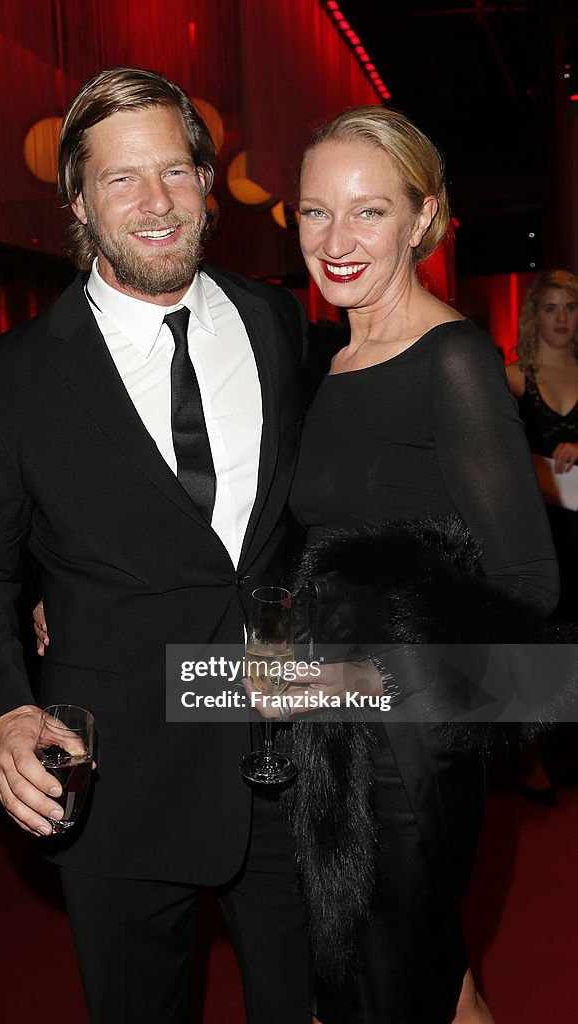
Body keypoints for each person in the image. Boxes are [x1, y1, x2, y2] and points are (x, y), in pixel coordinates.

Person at [0, 67, 311, 1024]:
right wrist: (6, 712)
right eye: (120, 179)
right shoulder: (6, 384)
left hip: (295, 754)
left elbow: (297, 522)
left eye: (175, 172)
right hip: (123, 781)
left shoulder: (276, 322)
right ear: (78, 202)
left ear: (206, 183)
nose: (154, 203)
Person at [279, 107, 558, 1023]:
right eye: (315, 212)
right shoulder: (333, 355)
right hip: (325, 723)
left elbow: (528, 586)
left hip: (407, 749)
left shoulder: (454, 358)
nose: (337, 238)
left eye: (368, 212)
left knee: (393, 986)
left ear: (421, 218)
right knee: (410, 983)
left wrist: (386, 697)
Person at [506, 269, 578, 802]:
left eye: (570, 307)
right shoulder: (512, 377)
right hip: (540, 532)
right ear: (536, 315)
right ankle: (535, 759)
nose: (561, 318)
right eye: (551, 307)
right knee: (541, 642)